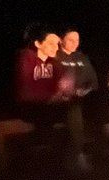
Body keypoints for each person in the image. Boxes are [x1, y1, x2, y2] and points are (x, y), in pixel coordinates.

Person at [15, 27, 90, 171]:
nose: (56, 47)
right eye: (51, 43)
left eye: (57, 43)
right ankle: (73, 157)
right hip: (30, 106)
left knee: (75, 105)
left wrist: (67, 91)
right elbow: (25, 92)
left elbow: (62, 85)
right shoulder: (26, 58)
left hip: (50, 105)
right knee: (70, 110)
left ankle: (75, 155)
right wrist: (52, 96)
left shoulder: (54, 61)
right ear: (38, 43)